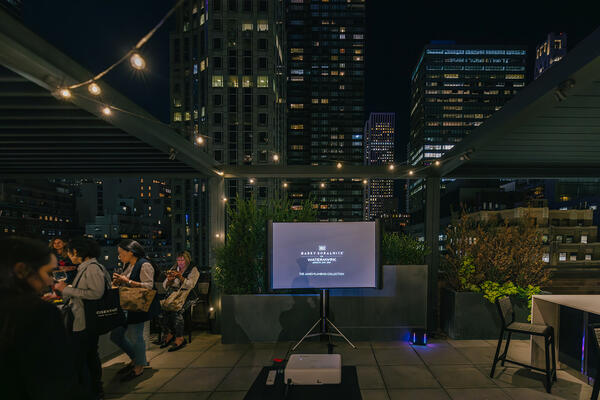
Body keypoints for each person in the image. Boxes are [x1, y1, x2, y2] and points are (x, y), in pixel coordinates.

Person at [0, 237, 78, 399]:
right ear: (22, 270)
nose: (50, 280)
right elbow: (56, 375)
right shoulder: (39, 312)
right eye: (48, 272)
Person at [54, 237, 111, 400]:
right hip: (86, 320)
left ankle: (92, 390)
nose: (69, 255)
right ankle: (94, 390)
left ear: (77, 252)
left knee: (84, 357)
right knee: (89, 355)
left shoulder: (91, 268)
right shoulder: (89, 267)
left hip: (85, 321)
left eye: (70, 252)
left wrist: (66, 289)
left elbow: (95, 293)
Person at [110, 239, 158, 382]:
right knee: (116, 335)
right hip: (128, 305)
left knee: (136, 336)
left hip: (138, 306)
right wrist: (119, 281)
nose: (120, 256)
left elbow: (148, 286)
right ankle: (136, 359)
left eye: (121, 253)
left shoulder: (144, 264)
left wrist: (127, 281)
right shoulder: (128, 265)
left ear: (130, 252)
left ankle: (139, 366)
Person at [156, 251, 199, 352]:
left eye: (182, 260)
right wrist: (170, 280)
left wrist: (180, 277)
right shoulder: (174, 268)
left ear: (187, 260)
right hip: (174, 296)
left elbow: (190, 285)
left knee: (177, 311)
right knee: (160, 310)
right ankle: (169, 333)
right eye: (178, 260)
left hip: (188, 295)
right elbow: (165, 286)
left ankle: (179, 338)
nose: (180, 262)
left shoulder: (193, 270)